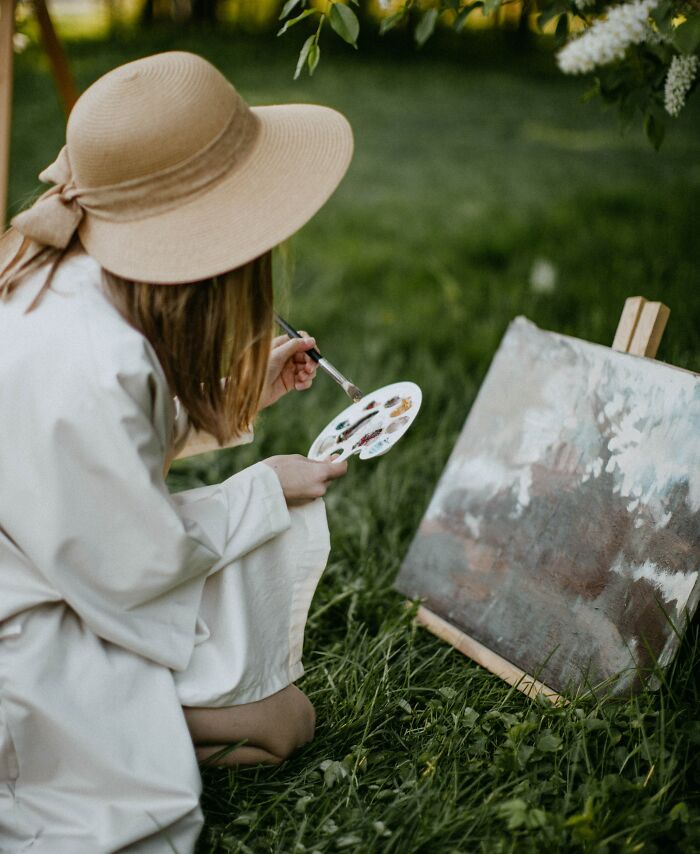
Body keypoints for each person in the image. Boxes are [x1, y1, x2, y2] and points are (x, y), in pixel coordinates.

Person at [0, 51, 353, 853]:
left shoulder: (65, 280)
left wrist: (234, 395)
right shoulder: (91, 360)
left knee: (271, 705)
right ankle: (103, 733)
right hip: (29, 630)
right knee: (282, 723)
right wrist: (265, 489)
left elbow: (99, 463)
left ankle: (136, 716)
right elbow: (134, 573)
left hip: (48, 571)